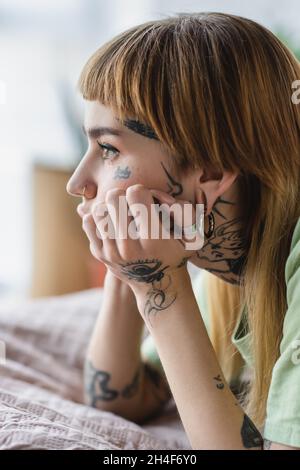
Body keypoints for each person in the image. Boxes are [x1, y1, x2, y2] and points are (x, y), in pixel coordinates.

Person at [66, 12, 300, 450]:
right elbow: (121, 399)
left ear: (210, 171)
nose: (77, 182)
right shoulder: (240, 266)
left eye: (109, 149)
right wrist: (131, 272)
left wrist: (163, 286)